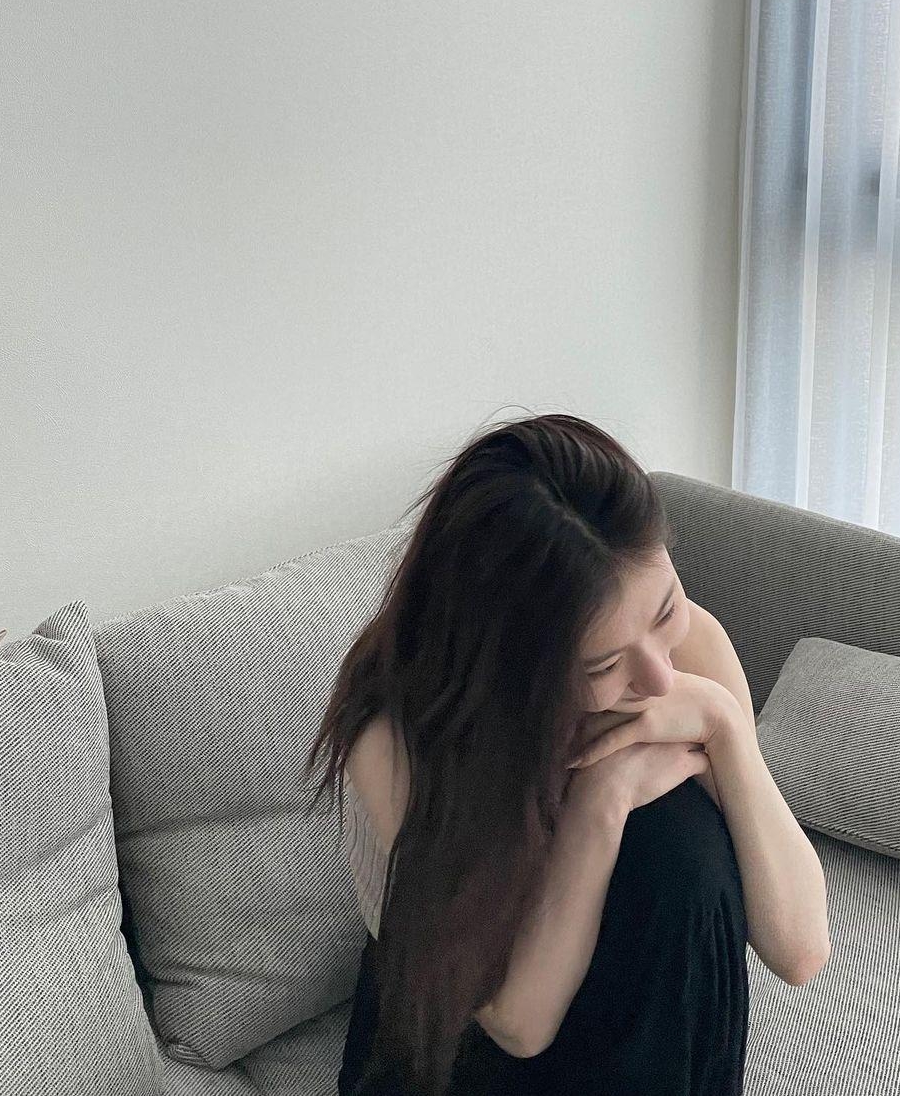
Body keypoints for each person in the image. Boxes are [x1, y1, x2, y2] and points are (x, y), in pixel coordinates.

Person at [303, 413, 748, 1096]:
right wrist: (603, 798)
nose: (661, 677)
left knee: (687, 847)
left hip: (603, 997)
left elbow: (800, 946)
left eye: (665, 610)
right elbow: (516, 1022)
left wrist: (725, 725)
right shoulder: (392, 736)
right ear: (515, 665)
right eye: (602, 664)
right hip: (457, 1034)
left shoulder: (688, 648)